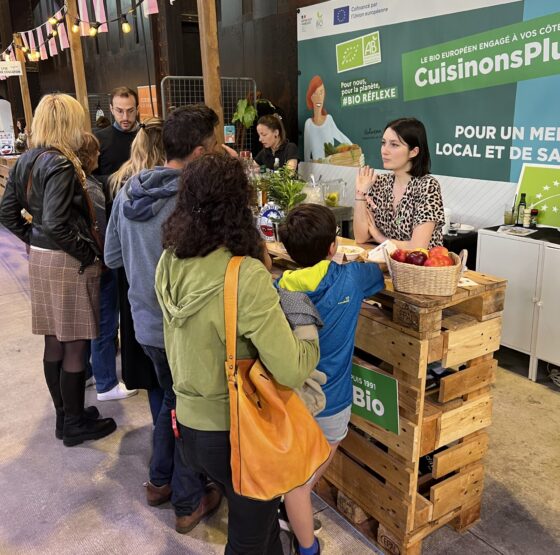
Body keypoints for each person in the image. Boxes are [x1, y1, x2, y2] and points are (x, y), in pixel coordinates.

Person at [155, 153, 320, 555]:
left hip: (190, 426)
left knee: (260, 532)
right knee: (248, 538)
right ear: (239, 204)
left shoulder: (170, 260)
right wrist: (305, 323)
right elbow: (292, 367)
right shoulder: (243, 274)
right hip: (240, 431)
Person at [104, 105, 220, 533]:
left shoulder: (130, 190)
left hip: (144, 325)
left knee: (172, 401)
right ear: (197, 151)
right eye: (214, 145)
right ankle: (186, 499)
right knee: (186, 410)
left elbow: (112, 256)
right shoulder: (193, 199)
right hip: (183, 327)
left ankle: (159, 481)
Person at [0, 93, 116, 447]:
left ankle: (65, 417)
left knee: (55, 341)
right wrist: (88, 256)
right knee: (76, 345)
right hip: (67, 260)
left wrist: (34, 240)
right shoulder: (63, 164)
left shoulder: (27, 159)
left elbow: (7, 213)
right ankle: (74, 422)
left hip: (43, 257)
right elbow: (56, 223)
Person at [277, 203, 384, 555]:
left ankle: (290, 510)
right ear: (332, 246)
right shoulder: (350, 279)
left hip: (289, 397)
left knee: (295, 465)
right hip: (331, 400)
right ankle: (307, 546)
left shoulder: (280, 288)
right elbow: (379, 272)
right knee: (301, 484)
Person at [107, 116, 165, 417]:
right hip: (174, 303)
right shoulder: (184, 192)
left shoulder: (121, 185)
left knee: (153, 382)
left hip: (137, 296)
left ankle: (161, 445)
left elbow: (112, 256)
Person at [76, 133, 137, 403]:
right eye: (96, 153)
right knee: (105, 324)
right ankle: (107, 383)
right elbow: (101, 231)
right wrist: (106, 260)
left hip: (84, 266)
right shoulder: (91, 190)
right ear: (88, 156)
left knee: (91, 323)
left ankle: (90, 373)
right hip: (100, 266)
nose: (100, 157)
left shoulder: (79, 183)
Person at [354, 117, 445, 249]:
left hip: (420, 267)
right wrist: (360, 193)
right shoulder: (380, 183)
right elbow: (361, 237)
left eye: (394, 145)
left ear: (413, 152)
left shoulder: (427, 186)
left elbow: (417, 247)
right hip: (386, 265)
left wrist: (380, 238)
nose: (384, 151)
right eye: (383, 143)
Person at [93, 86, 139, 185]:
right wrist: (117, 179)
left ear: (137, 109)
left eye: (130, 111)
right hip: (112, 199)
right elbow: (90, 179)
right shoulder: (98, 139)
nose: (125, 117)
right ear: (111, 109)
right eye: (120, 111)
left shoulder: (148, 136)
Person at [303, 75, 353, 161]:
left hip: (331, 167)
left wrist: (353, 147)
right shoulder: (308, 124)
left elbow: (340, 136)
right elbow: (307, 152)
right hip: (316, 168)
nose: (319, 97)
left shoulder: (329, 120)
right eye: (315, 93)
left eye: (321, 92)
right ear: (311, 97)